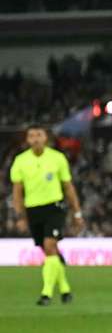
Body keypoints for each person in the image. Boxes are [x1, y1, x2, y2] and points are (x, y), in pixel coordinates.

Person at [10, 125, 84, 305]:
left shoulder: (57, 158)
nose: (35, 139)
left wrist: (77, 213)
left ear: (46, 138)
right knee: (49, 251)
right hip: (33, 209)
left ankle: (46, 294)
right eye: (32, 135)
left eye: (39, 135)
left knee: (50, 245)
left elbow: (68, 187)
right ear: (27, 139)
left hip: (54, 207)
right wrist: (20, 216)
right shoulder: (20, 161)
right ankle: (65, 289)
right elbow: (17, 192)